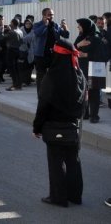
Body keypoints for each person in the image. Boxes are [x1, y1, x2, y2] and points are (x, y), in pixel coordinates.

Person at [32, 38, 87, 208]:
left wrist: (37, 127)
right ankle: (75, 196)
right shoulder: (78, 73)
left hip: (54, 125)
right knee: (73, 161)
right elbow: (84, 101)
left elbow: (43, 105)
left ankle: (58, 197)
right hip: (73, 126)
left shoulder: (52, 76)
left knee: (56, 163)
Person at [74, 18, 105, 123]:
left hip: (94, 69)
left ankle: (94, 116)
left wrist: (86, 54)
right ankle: (85, 113)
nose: (78, 27)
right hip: (82, 69)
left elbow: (102, 56)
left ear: (86, 26)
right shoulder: (81, 38)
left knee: (94, 92)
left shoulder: (96, 39)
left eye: (80, 25)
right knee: (83, 91)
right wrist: (79, 45)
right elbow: (72, 50)